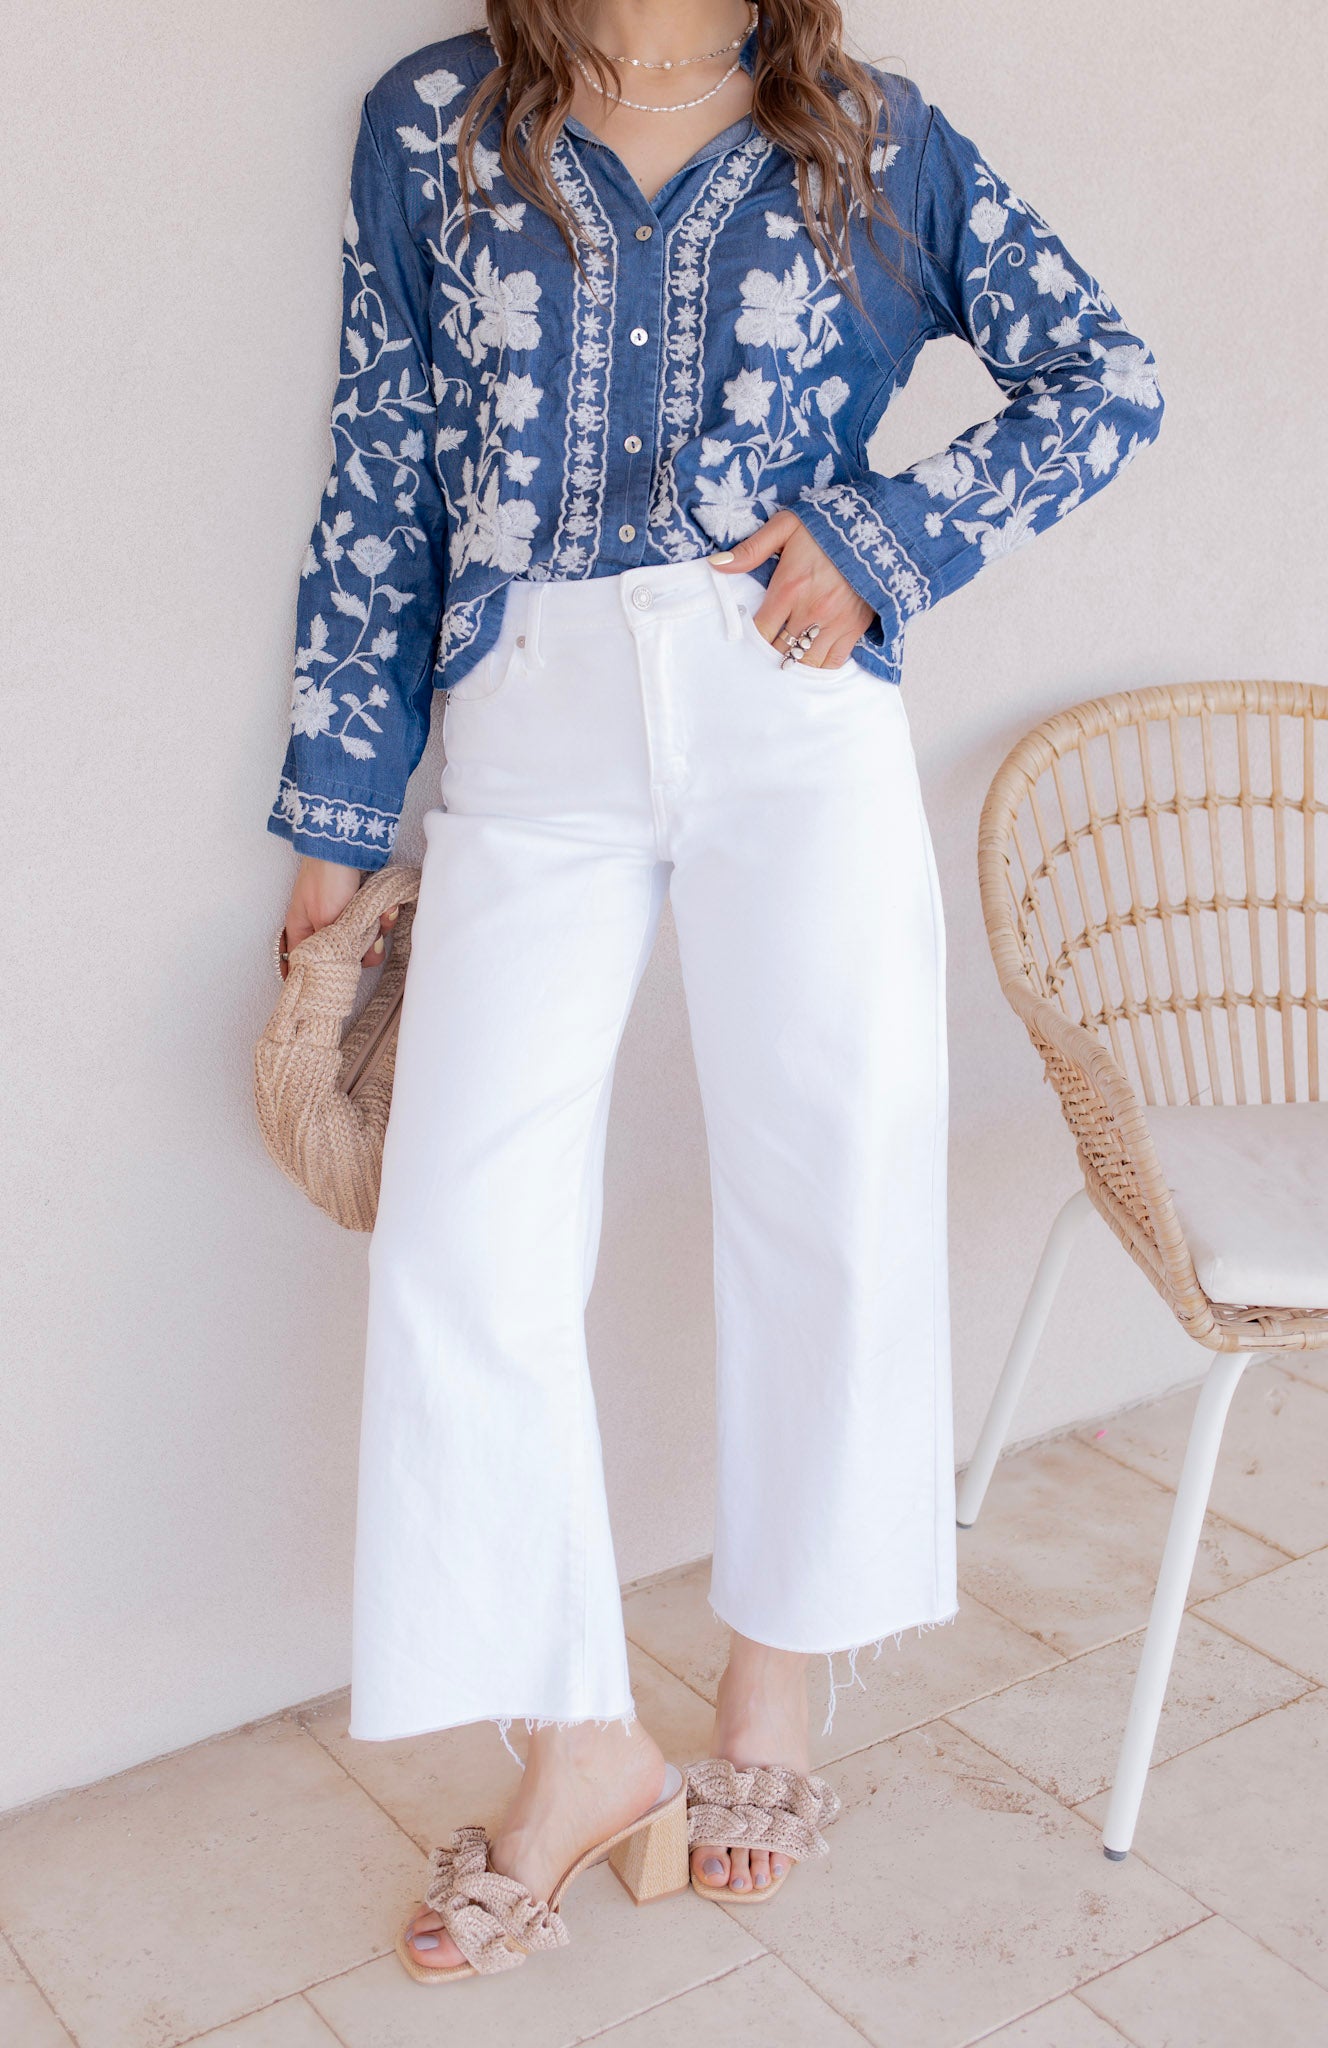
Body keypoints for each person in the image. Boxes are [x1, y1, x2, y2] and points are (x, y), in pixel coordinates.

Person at [269, 0, 1163, 1982]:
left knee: (828, 1184)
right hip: (527, 715)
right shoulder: (435, 124)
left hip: (791, 707)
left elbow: (1105, 378)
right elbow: (382, 460)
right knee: (462, 1240)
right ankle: (576, 1740)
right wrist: (336, 802)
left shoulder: (866, 131)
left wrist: (885, 535)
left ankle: (774, 1688)